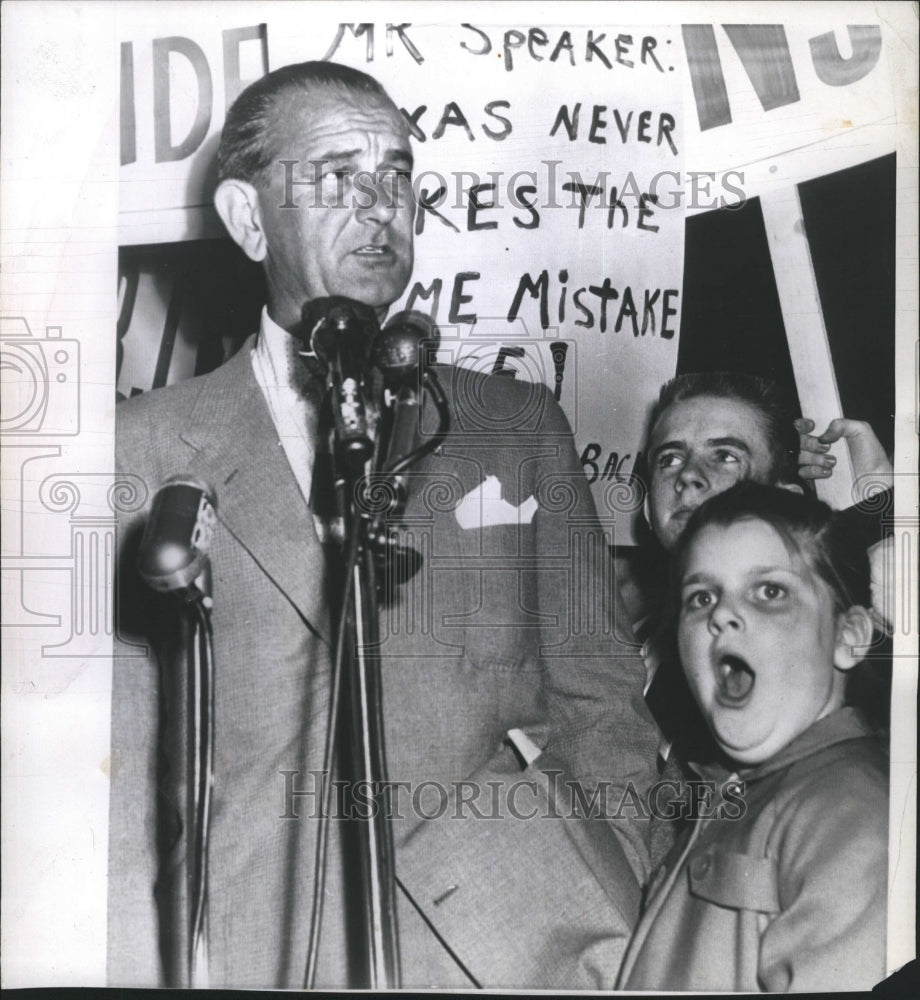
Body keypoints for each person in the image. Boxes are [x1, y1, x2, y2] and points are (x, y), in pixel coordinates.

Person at [108, 60, 659, 988]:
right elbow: (117, 778)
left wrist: (610, 901)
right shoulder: (146, 447)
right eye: (336, 178)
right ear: (248, 220)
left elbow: (602, 703)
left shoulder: (514, 427)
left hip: (515, 951)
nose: (379, 208)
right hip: (261, 951)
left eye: (397, 179)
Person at [616, 482, 888, 992]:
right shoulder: (728, 800)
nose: (720, 613)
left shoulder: (851, 811)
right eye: (701, 597)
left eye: (769, 591)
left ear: (848, 636)